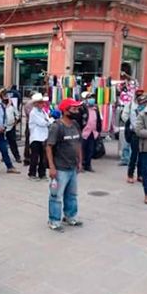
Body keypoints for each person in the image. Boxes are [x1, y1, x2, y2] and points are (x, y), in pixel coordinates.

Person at [46, 98, 83, 231]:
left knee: (72, 194)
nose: (77, 111)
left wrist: (80, 161)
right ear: (65, 110)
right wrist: (52, 167)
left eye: (77, 108)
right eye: (74, 109)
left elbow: (78, 143)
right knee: (56, 196)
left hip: (72, 167)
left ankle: (70, 216)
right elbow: (49, 146)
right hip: (60, 168)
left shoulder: (75, 125)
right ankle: (54, 220)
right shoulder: (56, 126)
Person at [28, 92, 51, 181]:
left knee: (43, 157)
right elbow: (43, 122)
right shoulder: (33, 113)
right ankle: (32, 174)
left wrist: (48, 121)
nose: (43, 104)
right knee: (35, 157)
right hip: (36, 137)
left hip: (44, 137)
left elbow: (47, 120)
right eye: (41, 102)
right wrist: (48, 121)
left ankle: (42, 173)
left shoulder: (43, 111)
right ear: (36, 103)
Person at [126, 95, 147, 184]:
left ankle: (140, 174)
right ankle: (130, 175)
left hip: (145, 136)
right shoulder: (134, 112)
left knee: (142, 156)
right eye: (142, 103)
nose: (144, 104)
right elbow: (134, 124)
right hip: (135, 135)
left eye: (145, 103)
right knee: (134, 156)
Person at [80, 91, 102, 172]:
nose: (92, 99)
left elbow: (98, 120)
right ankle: (81, 164)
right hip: (84, 132)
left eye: (92, 98)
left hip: (93, 132)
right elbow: (79, 120)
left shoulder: (95, 108)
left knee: (90, 149)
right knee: (82, 149)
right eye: (89, 98)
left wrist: (99, 130)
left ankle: (88, 165)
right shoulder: (82, 108)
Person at [3, 92, 22, 163]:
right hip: (3, 128)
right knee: (3, 144)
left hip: (11, 128)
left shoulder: (12, 107)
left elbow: (17, 116)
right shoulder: (1, 107)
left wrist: (15, 123)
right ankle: (4, 156)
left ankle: (17, 157)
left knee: (12, 143)